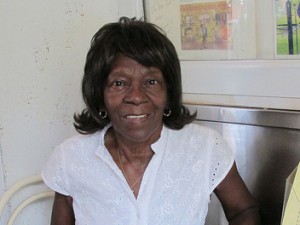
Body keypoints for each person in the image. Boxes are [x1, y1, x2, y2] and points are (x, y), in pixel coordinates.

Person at [42, 17, 260, 225]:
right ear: (99, 94)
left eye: (151, 81)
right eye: (119, 83)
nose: (136, 96)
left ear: (169, 92)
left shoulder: (205, 147)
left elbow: (244, 211)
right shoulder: (70, 158)